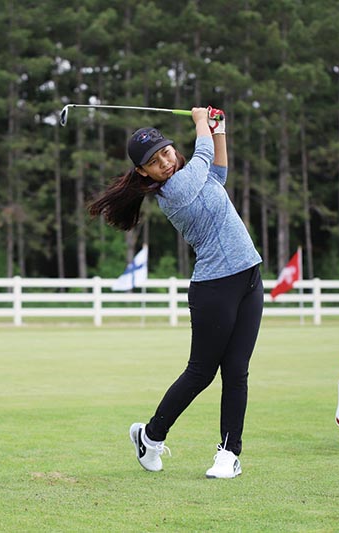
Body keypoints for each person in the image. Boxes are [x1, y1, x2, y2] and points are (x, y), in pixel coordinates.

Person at [88, 106, 263, 478]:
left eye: (166, 152)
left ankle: (229, 454)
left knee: (237, 373)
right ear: (143, 172)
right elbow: (202, 158)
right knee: (201, 372)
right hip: (215, 287)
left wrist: (220, 129)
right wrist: (201, 121)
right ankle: (151, 436)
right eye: (155, 161)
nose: (166, 162)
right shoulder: (174, 190)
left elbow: (218, 171)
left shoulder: (195, 178)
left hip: (249, 278)